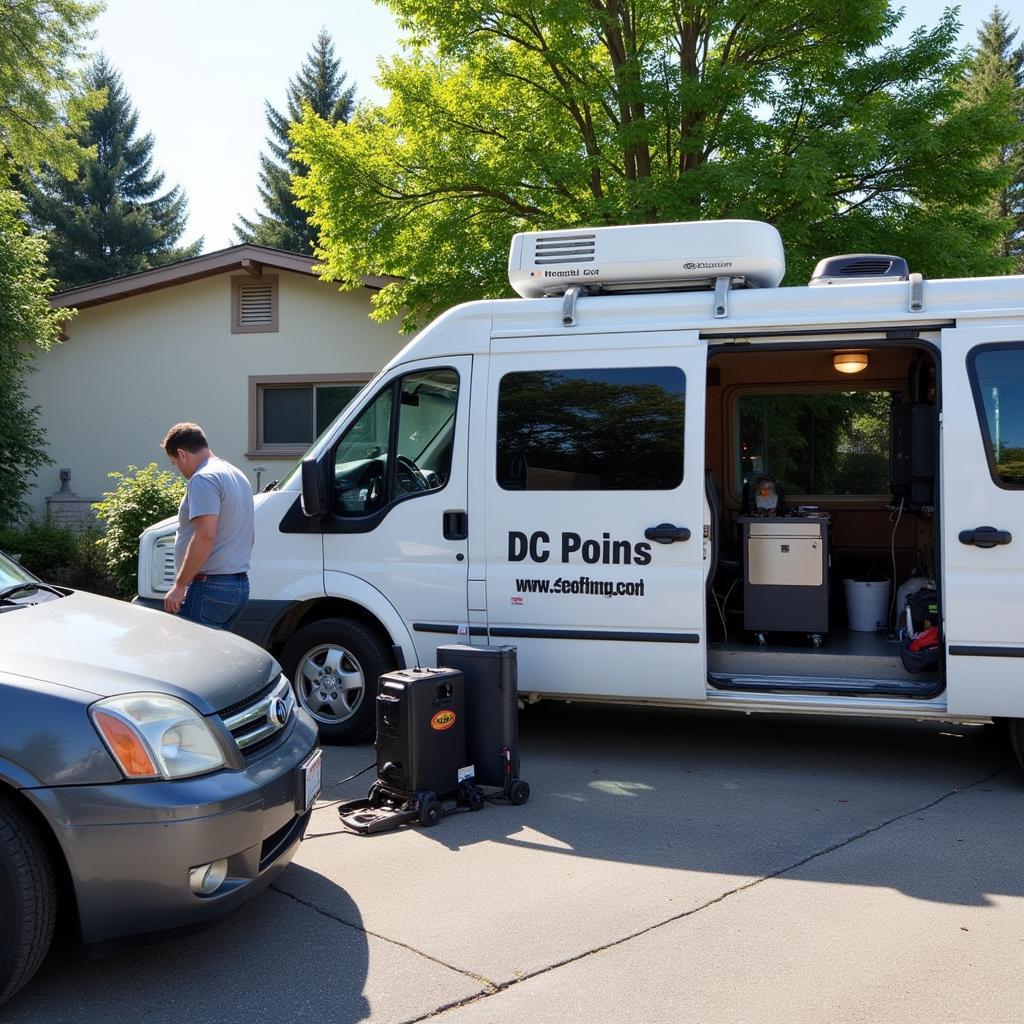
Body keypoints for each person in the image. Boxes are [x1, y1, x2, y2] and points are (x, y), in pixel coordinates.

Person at [161, 422, 254, 630]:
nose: (178, 469)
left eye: (174, 463)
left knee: (192, 656)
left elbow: (205, 535)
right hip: (239, 585)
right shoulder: (237, 475)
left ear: (181, 454)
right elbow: (250, 534)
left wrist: (180, 585)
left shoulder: (203, 478)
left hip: (208, 587)